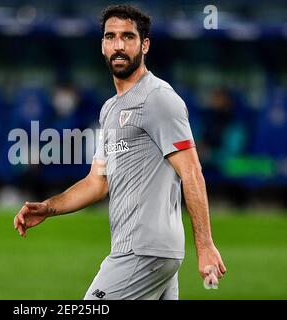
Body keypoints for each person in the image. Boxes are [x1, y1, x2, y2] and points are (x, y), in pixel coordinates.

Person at [13, 5, 226, 300]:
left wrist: (204, 247)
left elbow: (191, 172)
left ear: (145, 44)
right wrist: (48, 208)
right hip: (151, 254)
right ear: (102, 45)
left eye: (128, 36)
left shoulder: (158, 99)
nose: (119, 45)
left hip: (143, 251)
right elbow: (97, 182)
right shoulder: (110, 109)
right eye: (110, 37)